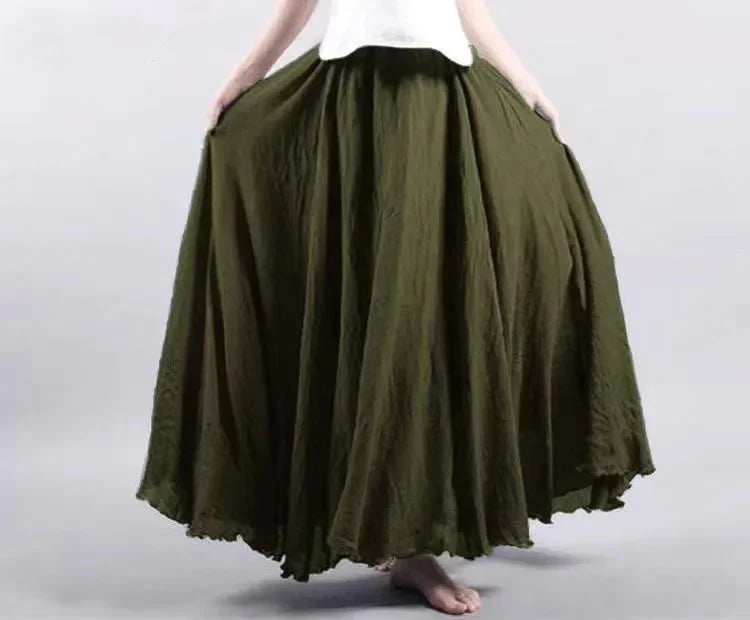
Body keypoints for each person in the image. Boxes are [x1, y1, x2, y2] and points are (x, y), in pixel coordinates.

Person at [135, 0, 656, 615]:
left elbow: (466, 6)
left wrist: (524, 81)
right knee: (377, 311)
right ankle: (398, 537)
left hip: (444, 105)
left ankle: (410, 538)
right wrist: (245, 77)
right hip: (353, 106)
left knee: (430, 313)